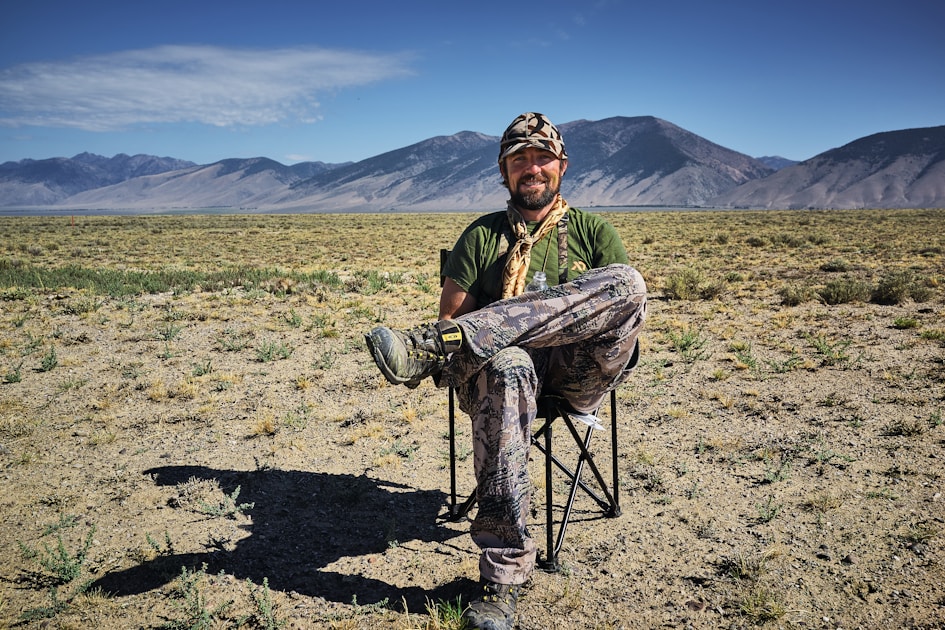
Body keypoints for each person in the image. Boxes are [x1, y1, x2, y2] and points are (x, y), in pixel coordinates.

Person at [365, 112, 646, 630]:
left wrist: (489, 328)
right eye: (520, 160)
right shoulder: (483, 236)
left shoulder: (593, 231)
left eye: (542, 158)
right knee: (509, 361)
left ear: (561, 166)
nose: (532, 168)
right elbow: (452, 309)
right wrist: (481, 338)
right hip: (498, 381)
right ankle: (501, 582)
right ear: (504, 171)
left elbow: (618, 309)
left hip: (576, 373)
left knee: (627, 282)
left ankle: (427, 346)